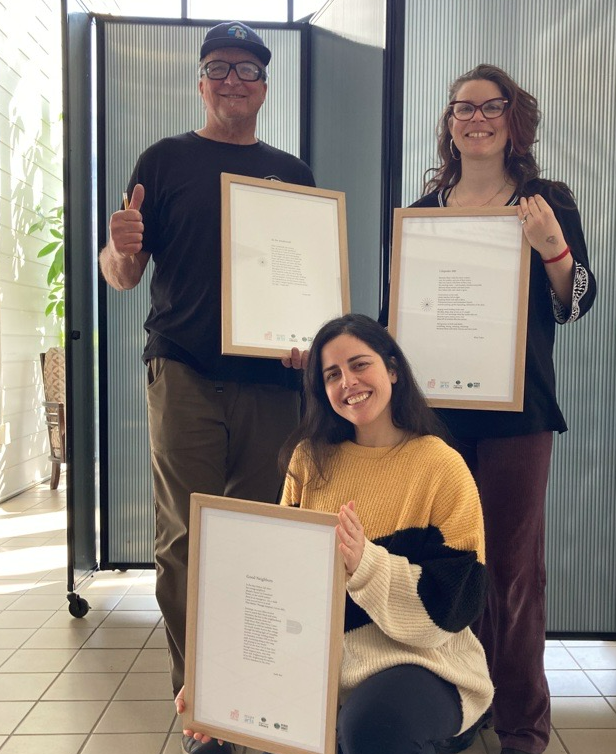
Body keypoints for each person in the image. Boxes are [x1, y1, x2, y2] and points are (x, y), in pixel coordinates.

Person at [99, 21, 314, 754]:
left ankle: (250, 704)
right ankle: (203, 711)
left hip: (269, 388)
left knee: (258, 545)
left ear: (264, 86)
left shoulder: (292, 172)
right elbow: (125, 276)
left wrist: (307, 341)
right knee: (187, 544)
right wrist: (116, 249)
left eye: (247, 69)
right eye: (219, 67)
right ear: (200, 80)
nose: (233, 80)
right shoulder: (164, 160)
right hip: (183, 370)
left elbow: (305, 288)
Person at [178, 314, 493, 754]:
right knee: (207, 742)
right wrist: (217, 677)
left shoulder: (441, 466)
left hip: (422, 661)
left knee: (369, 727)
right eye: (332, 374)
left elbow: (453, 607)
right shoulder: (309, 459)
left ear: (393, 370)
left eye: (360, 365)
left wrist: (366, 563)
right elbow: (272, 586)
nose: (348, 381)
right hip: (317, 662)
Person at [408, 65, 597, 754]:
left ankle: (520, 724)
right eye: (463, 107)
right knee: (447, 562)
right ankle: (458, 707)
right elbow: (400, 315)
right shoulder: (422, 213)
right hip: (436, 419)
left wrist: (553, 246)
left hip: (521, 417)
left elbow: (573, 303)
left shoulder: (547, 201)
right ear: (450, 123)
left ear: (516, 120)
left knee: (513, 572)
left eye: (493, 107)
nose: (477, 118)